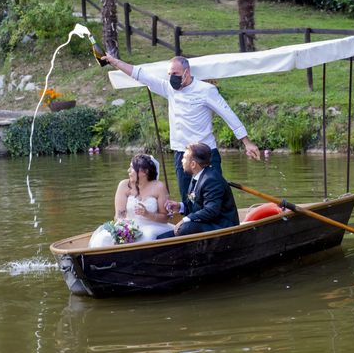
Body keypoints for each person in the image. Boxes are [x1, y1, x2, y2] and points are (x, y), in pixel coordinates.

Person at [103, 53, 260, 204]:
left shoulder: (206, 90)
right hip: (182, 155)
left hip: (206, 154)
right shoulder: (168, 89)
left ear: (186, 72)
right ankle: (190, 224)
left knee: (214, 196)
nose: (173, 77)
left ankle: (220, 225)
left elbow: (228, 114)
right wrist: (114, 62)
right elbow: (139, 74)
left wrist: (247, 142)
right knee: (188, 198)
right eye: (170, 73)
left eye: (175, 73)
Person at [89, 154, 174, 247]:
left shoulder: (159, 187)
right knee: (103, 239)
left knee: (147, 236)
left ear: (145, 172)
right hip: (129, 226)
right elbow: (119, 215)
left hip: (153, 225)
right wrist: (124, 230)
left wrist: (148, 214)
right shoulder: (124, 185)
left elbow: (165, 218)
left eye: (132, 168)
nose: (128, 171)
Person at [158, 142, 239, 238]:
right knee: (160, 237)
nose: (181, 161)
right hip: (207, 222)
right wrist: (180, 206)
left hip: (221, 226)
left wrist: (185, 219)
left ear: (193, 164)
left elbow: (211, 211)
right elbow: (196, 206)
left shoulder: (211, 179)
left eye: (184, 158)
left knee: (184, 228)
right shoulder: (197, 175)